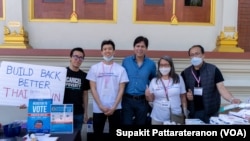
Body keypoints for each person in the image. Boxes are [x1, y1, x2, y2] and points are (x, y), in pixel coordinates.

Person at [181, 45, 241, 123]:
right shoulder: (185, 73)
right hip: (193, 113)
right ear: (189, 57)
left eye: (197, 54)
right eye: (192, 55)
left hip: (211, 112)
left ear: (203, 55)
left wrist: (232, 99)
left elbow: (221, 87)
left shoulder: (213, 70)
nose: (194, 56)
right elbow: (181, 93)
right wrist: (187, 96)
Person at [86, 40, 129, 138]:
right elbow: (92, 88)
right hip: (98, 108)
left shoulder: (120, 69)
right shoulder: (94, 68)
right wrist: (100, 105)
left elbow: (121, 89)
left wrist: (114, 107)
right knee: (97, 134)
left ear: (114, 51)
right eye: (105, 49)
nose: (107, 51)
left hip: (116, 108)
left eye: (110, 49)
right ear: (101, 52)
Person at [121, 36, 156, 125]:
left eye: (142, 46)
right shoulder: (126, 61)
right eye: (137, 46)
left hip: (142, 101)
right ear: (134, 48)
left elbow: (153, 81)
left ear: (146, 49)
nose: (140, 48)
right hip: (127, 100)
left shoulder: (151, 64)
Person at [145, 56, 188, 125]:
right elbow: (150, 99)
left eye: (166, 65)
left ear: (171, 66)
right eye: (161, 65)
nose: (163, 67)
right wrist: (147, 95)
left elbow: (183, 96)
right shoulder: (154, 80)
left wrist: (185, 111)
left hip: (175, 115)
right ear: (159, 67)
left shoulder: (178, 78)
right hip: (158, 116)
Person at [63, 47, 90, 130]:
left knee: (77, 137)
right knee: (64, 137)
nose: (78, 60)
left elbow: (85, 95)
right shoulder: (61, 72)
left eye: (81, 58)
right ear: (70, 58)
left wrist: (85, 112)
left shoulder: (84, 76)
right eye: (76, 57)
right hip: (62, 112)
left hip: (78, 112)